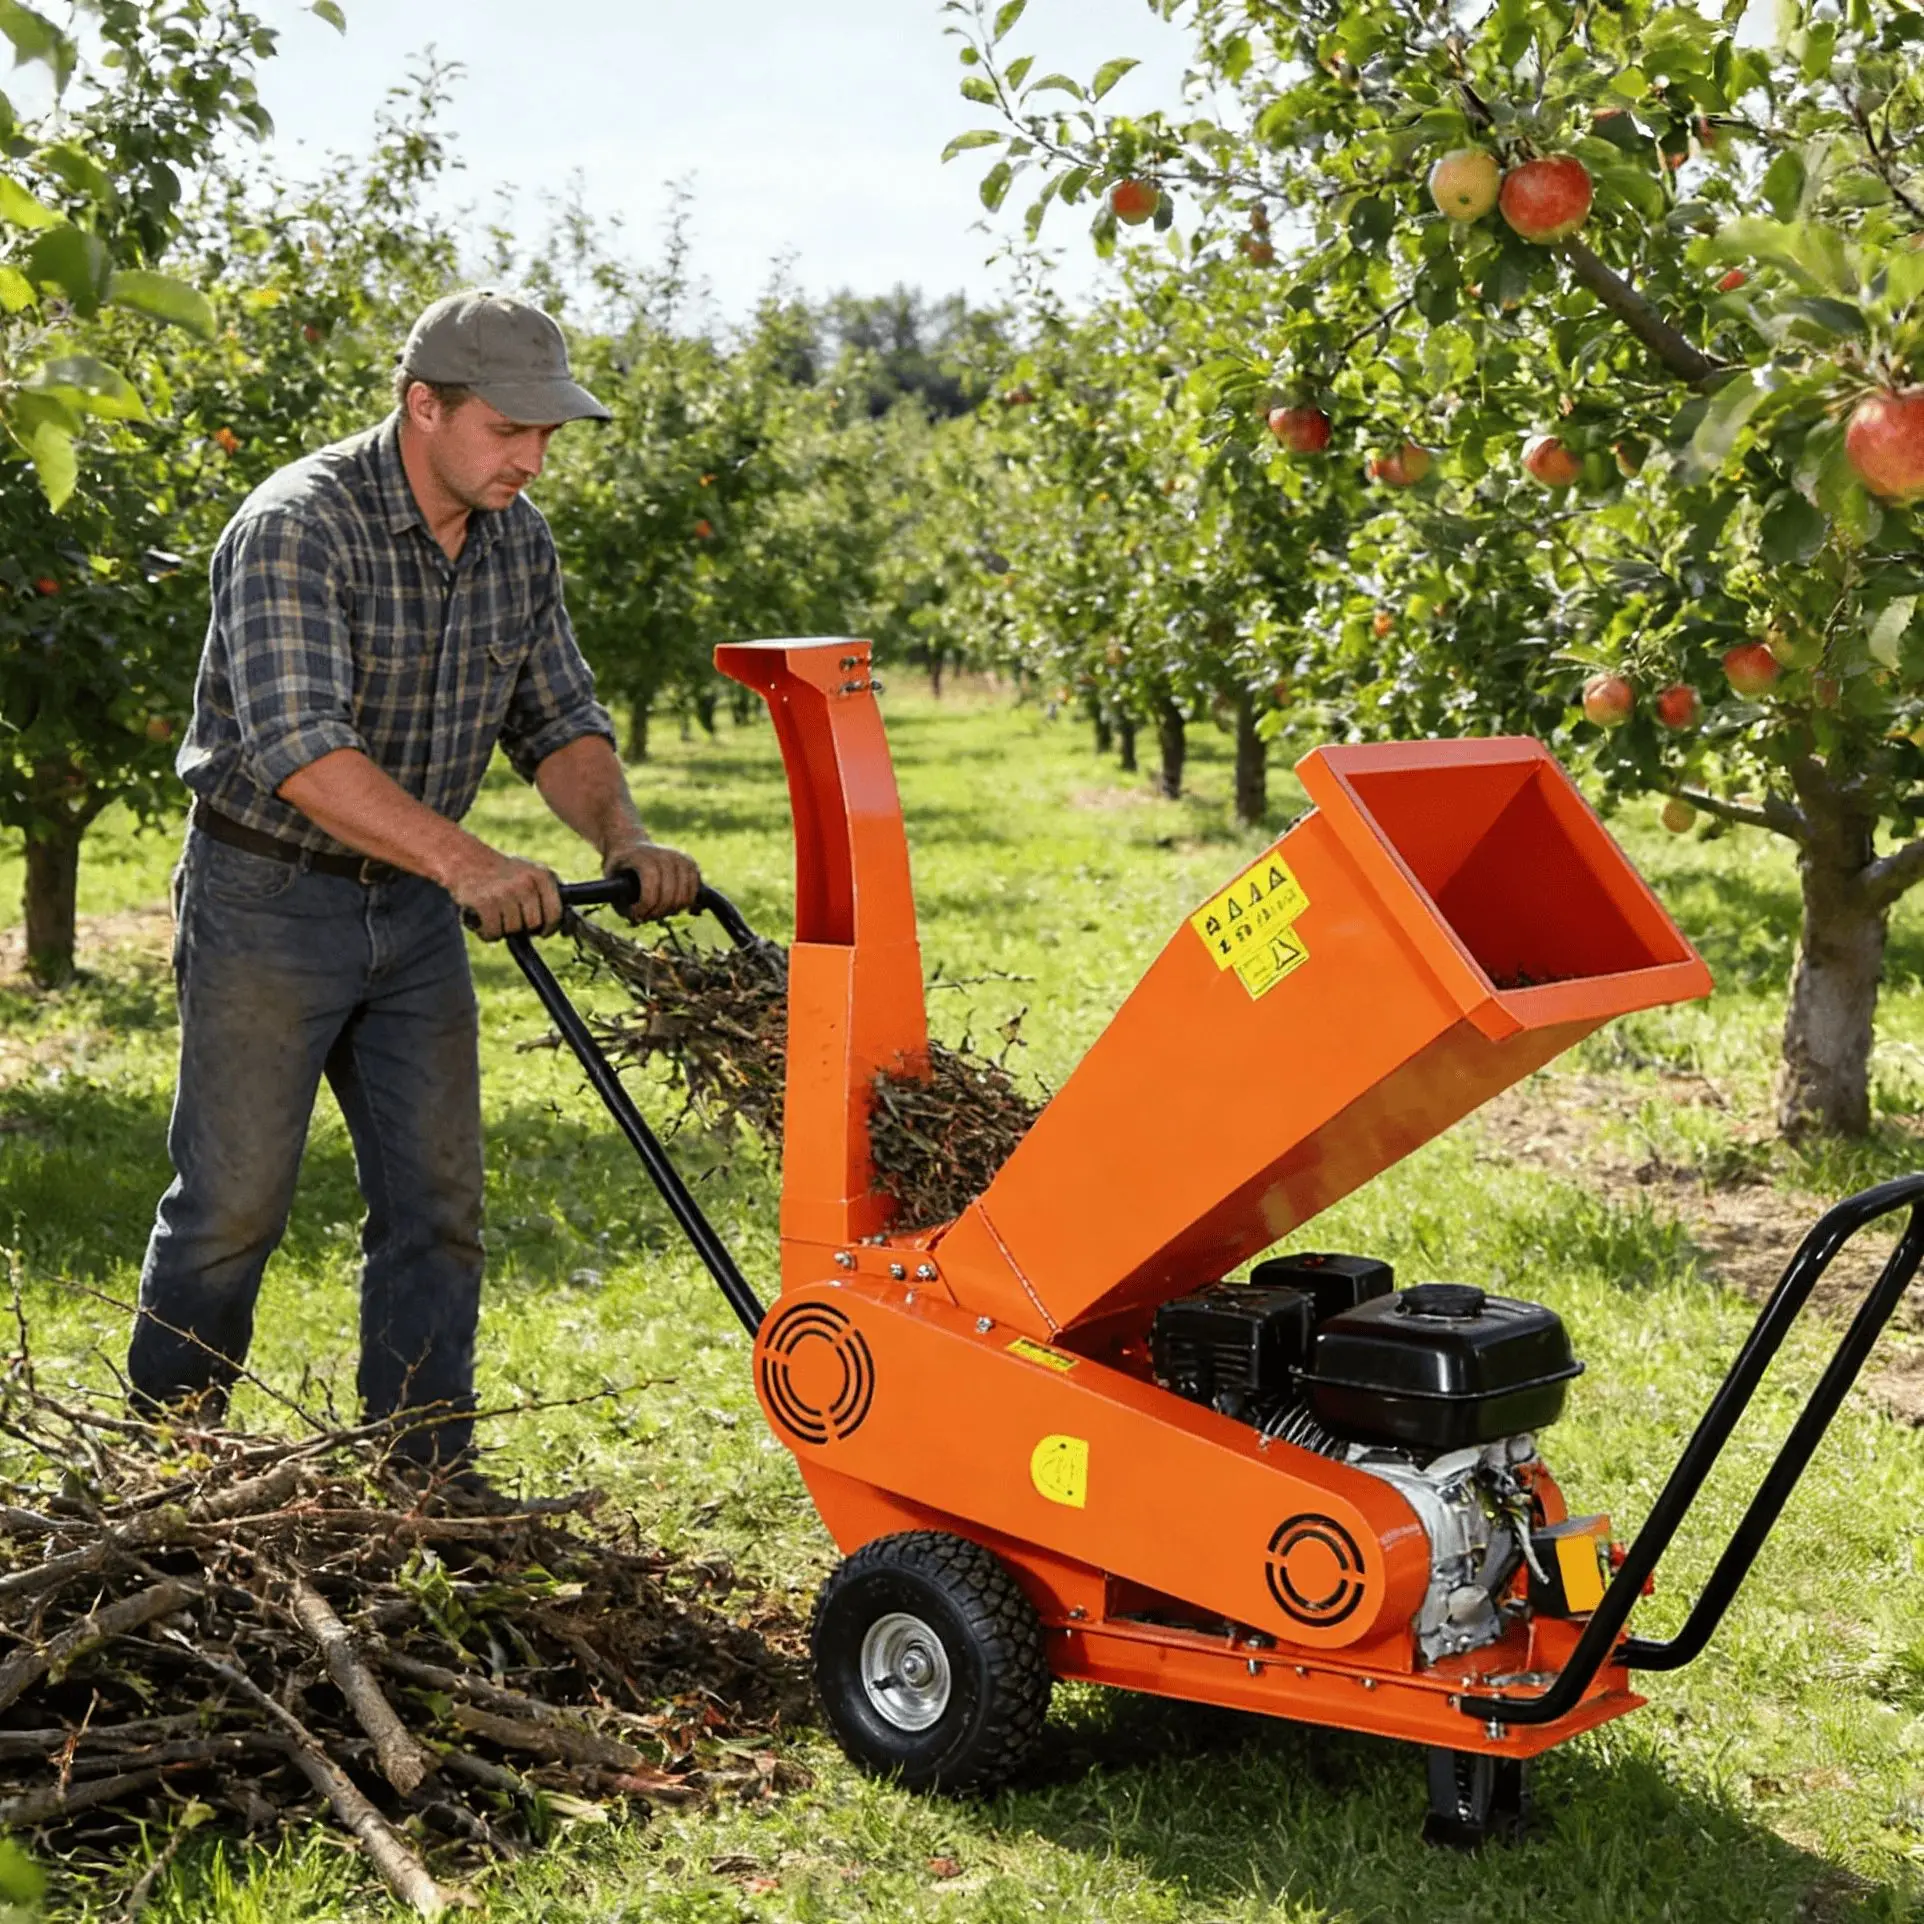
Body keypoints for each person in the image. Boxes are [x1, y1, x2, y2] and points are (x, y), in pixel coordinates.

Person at [128, 289, 699, 1469]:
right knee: (233, 1207)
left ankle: (424, 1475)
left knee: (438, 1206)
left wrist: (623, 839)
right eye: (509, 430)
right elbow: (298, 748)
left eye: (547, 434)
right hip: (268, 897)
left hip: (415, 907)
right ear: (422, 406)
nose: (531, 460)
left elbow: (559, 718)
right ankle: (169, 1473)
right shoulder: (298, 526)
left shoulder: (516, 538)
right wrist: (469, 860)